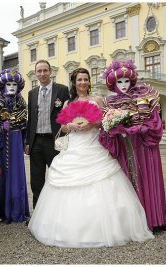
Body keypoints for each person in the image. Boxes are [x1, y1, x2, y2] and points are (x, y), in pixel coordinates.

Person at [28, 68, 154, 248]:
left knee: (104, 180)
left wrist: (92, 123)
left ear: (89, 82)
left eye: (85, 79)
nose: (83, 83)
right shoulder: (68, 103)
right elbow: (62, 127)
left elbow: (105, 122)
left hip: (94, 145)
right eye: (79, 80)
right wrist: (71, 124)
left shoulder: (98, 100)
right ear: (74, 82)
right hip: (75, 145)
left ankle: (110, 227)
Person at [99, 59, 166, 233]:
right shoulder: (110, 103)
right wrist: (116, 130)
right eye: (119, 82)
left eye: (126, 81)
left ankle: (157, 220)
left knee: (149, 178)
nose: (123, 85)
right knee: (130, 181)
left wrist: (140, 128)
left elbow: (155, 121)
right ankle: (135, 222)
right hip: (126, 147)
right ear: (113, 83)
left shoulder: (145, 96)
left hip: (145, 145)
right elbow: (105, 129)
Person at [0, 69, 30, 223]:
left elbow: (23, 125)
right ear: (2, 85)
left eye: (14, 84)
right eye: (8, 84)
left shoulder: (21, 104)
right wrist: (0, 127)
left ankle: (15, 210)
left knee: (14, 173)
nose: (11, 87)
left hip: (15, 141)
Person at [25, 60, 69, 209]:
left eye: (45, 70)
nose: (42, 74)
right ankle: (38, 211)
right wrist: (27, 142)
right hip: (36, 140)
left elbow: (68, 114)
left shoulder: (62, 90)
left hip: (54, 140)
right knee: (36, 179)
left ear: (50, 72)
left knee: (58, 175)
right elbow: (30, 119)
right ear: (36, 73)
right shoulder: (32, 93)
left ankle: (60, 209)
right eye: (39, 71)